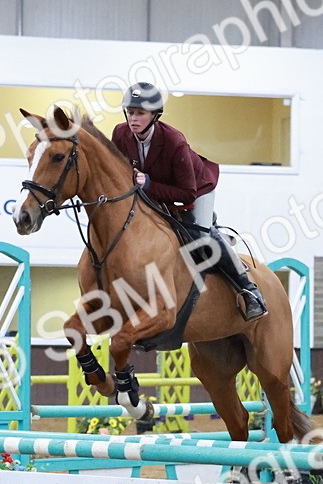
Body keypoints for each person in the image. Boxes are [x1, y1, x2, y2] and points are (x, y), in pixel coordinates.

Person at [110, 82, 267, 322]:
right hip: (151, 189)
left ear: (155, 115)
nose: (133, 119)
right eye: (130, 112)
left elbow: (187, 194)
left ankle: (249, 290)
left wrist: (149, 184)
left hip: (196, 188)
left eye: (140, 113)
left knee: (201, 236)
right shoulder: (120, 134)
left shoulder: (174, 141)